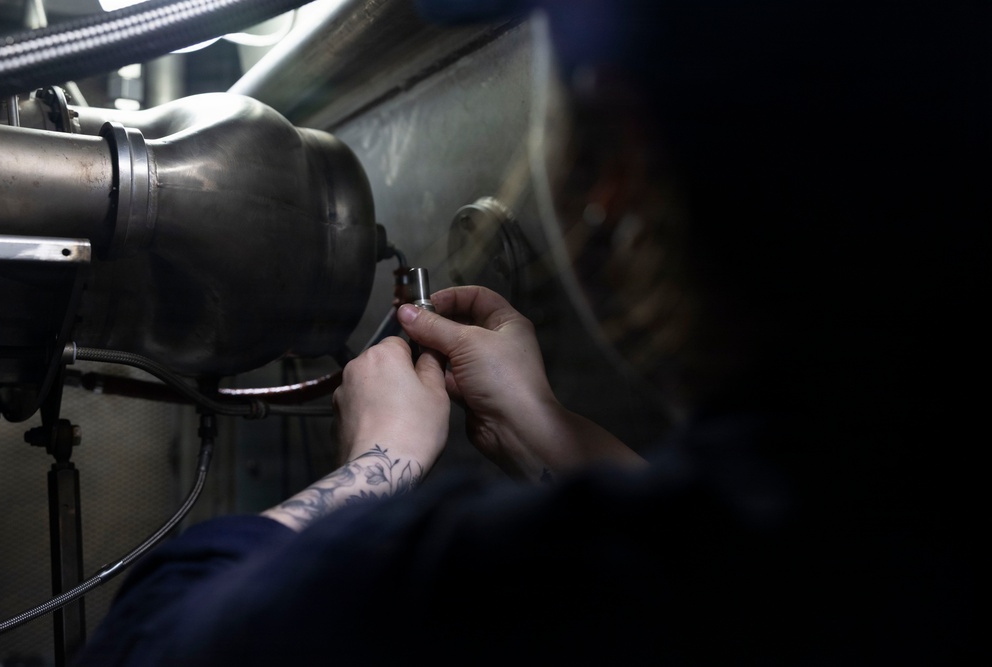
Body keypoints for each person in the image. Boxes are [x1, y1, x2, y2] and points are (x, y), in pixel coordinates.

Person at [73, 1, 979, 665]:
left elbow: (149, 639)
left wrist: (376, 464)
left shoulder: (509, 590)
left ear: (618, 179)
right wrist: (543, 423)